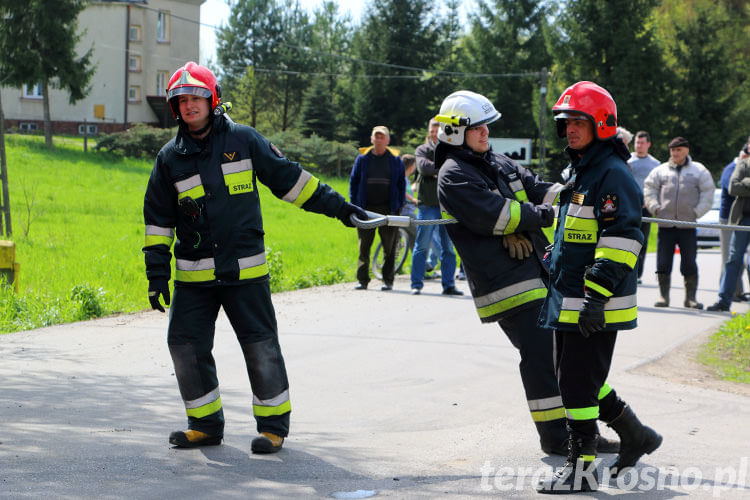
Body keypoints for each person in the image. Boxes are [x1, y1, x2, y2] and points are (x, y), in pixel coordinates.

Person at [143, 62, 366, 452]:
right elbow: (158, 220)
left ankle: (273, 427)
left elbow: (291, 180)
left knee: (260, 346)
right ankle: (205, 425)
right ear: (175, 108)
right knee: (184, 345)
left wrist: (341, 208)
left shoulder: (244, 141)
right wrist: (156, 273)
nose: (189, 105)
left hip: (245, 273)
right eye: (181, 100)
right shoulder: (169, 158)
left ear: (213, 100)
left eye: (196, 97)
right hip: (194, 278)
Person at [434, 90, 618, 461]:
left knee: (565, 352)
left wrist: (580, 196)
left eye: (488, 126)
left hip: (536, 270)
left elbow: (538, 190)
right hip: (506, 283)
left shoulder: (497, 162)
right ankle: (556, 437)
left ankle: (583, 430)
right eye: (478, 127)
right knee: (541, 354)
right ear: (455, 132)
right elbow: (496, 214)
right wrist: (536, 218)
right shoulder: (453, 175)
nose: (486, 132)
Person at [537, 81, 661, 493]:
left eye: (578, 122)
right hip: (571, 295)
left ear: (601, 125)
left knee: (575, 384)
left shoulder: (612, 174)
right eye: (566, 122)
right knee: (576, 379)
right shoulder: (582, 171)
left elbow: (623, 238)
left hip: (594, 301)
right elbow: (579, 232)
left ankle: (581, 468)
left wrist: (596, 296)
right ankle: (635, 433)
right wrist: (554, 254)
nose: (570, 129)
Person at [643, 136, 714, 309]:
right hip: (665, 226)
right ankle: (663, 297)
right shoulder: (661, 170)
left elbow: (708, 192)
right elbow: (649, 188)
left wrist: (697, 212)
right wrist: (655, 207)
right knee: (663, 263)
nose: (675, 153)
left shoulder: (699, 170)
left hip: (688, 226)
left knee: (689, 262)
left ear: (686, 150)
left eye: (679, 150)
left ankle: (690, 298)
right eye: (673, 150)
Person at [349, 126, 406, 291]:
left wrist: (398, 207)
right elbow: (353, 181)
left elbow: (401, 185)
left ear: (388, 141)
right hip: (365, 209)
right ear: (371, 139)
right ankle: (362, 280)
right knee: (363, 247)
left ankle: (388, 280)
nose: (379, 139)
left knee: (389, 247)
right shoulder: (362, 158)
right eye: (377, 137)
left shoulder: (395, 160)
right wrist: (355, 205)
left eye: (383, 137)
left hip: (389, 209)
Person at [411, 118, 462, 296]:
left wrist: (439, 170)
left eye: (437, 130)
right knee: (422, 245)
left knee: (448, 247)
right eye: (431, 130)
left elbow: (455, 168)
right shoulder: (422, 150)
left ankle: (449, 285)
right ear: (429, 132)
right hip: (427, 205)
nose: (434, 133)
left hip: (447, 205)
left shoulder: (450, 149)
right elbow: (424, 168)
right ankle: (416, 284)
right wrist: (442, 169)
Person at [707, 147, 750, 312]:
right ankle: (723, 301)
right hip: (743, 218)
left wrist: (746, 182)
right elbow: (733, 188)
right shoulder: (743, 164)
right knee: (732, 260)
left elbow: (740, 186)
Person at [628, 131, 661, 282]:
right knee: (627, 239)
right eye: (637, 142)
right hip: (628, 206)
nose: (639, 145)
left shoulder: (655, 164)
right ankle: (626, 271)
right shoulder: (627, 161)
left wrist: (651, 201)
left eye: (642, 143)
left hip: (645, 208)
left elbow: (658, 187)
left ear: (648, 144)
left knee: (642, 241)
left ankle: (637, 274)